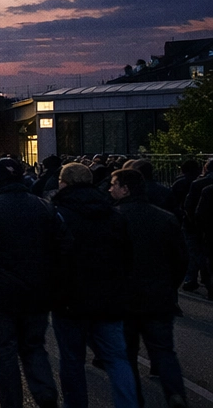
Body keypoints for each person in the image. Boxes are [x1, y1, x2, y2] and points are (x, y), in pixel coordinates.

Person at [0, 158, 63, 408]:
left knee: (4, 352)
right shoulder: (45, 207)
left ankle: (11, 401)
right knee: (34, 346)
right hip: (37, 290)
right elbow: (63, 247)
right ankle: (45, 392)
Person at [52, 162, 136, 408]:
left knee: (71, 360)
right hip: (109, 295)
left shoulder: (58, 213)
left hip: (69, 298)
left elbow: (51, 255)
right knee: (117, 358)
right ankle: (127, 403)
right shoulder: (113, 213)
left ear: (63, 182)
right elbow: (127, 256)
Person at [109, 167, 187, 408]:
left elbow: (108, 260)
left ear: (125, 188)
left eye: (114, 184)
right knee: (164, 351)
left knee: (127, 354)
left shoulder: (114, 218)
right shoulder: (164, 217)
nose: (110, 189)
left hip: (125, 299)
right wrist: (169, 285)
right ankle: (175, 393)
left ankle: (135, 400)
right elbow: (180, 259)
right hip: (159, 296)